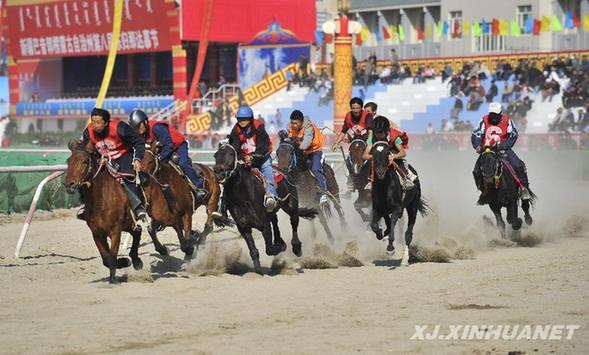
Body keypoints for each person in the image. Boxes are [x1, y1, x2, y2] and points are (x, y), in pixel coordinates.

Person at [80, 107, 147, 221]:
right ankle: (86, 207)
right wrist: (96, 158)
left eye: (98, 122)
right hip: (103, 159)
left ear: (106, 123)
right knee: (85, 178)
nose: (94, 125)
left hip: (123, 155)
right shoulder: (88, 132)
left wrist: (137, 159)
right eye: (93, 122)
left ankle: (137, 207)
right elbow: (87, 152)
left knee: (127, 177)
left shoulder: (120, 127)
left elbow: (139, 141)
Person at [128, 109, 208, 202]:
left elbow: (169, 145)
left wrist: (160, 157)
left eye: (138, 126)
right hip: (162, 150)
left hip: (177, 146)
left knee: (182, 163)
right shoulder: (141, 134)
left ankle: (198, 187)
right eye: (135, 128)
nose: (137, 130)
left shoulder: (157, 127)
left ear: (145, 122)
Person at [471, 102, 531, 205]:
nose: (493, 117)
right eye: (491, 114)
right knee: (476, 171)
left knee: (518, 166)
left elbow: (513, 135)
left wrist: (504, 145)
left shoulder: (507, 120)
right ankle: (484, 193)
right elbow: (476, 135)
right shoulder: (484, 120)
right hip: (487, 151)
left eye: (495, 114)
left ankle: (524, 189)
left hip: (504, 149)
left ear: (500, 113)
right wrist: (478, 146)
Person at [228, 106, 277, 211]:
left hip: (261, 156)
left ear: (250, 119)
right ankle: (224, 201)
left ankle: (271, 196)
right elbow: (234, 147)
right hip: (244, 158)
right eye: (239, 119)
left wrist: (253, 157)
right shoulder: (235, 130)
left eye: (244, 119)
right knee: (232, 173)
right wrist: (243, 158)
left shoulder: (259, 127)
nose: (241, 122)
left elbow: (263, 146)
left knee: (267, 168)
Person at [332, 97, 374, 194]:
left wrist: (370, 141)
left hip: (367, 141)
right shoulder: (348, 116)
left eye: (357, 108)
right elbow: (344, 131)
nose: (355, 110)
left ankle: (370, 179)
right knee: (349, 160)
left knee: (372, 158)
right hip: (355, 142)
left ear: (361, 108)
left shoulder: (367, 116)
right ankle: (351, 180)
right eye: (353, 108)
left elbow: (370, 130)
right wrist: (336, 143)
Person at [288, 110, 329, 205]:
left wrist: (297, 146)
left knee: (315, 169)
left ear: (301, 122)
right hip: (301, 152)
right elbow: (290, 138)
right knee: (291, 168)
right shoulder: (291, 127)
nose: (293, 125)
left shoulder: (308, 128)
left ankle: (323, 193)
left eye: (295, 123)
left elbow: (306, 143)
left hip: (314, 151)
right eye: (292, 123)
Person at [362, 115, 414, 190]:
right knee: (370, 163)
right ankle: (370, 180)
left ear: (386, 131)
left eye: (381, 132)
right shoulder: (372, 137)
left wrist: (392, 156)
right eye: (376, 132)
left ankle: (405, 179)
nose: (378, 135)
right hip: (378, 157)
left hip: (393, 154)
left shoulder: (394, 136)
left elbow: (403, 153)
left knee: (399, 162)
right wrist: (375, 157)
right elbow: (365, 155)